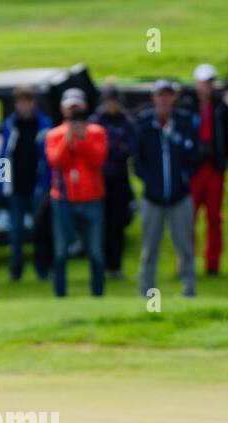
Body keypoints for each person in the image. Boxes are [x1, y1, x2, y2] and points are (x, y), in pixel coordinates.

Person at [133, 79, 198, 298]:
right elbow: (138, 161)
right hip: (153, 198)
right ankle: (147, 292)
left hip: (180, 197)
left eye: (168, 94)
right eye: (160, 94)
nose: (164, 99)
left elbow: (193, 156)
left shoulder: (185, 121)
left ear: (173, 97)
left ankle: (188, 290)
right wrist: (151, 181)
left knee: (185, 247)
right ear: (153, 97)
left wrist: (184, 177)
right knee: (149, 249)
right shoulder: (144, 124)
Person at [45, 88, 108, 298]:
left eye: (77, 107)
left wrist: (83, 139)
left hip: (91, 199)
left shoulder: (96, 132)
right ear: (63, 109)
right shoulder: (55, 135)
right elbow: (57, 162)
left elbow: (97, 160)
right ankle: (60, 295)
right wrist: (69, 138)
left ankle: (98, 295)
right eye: (70, 108)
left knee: (96, 252)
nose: (74, 113)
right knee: (61, 251)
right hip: (63, 200)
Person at [0, 86, 52, 282]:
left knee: (40, 232)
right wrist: (2, 185)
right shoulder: (11, 125)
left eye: (25, 102)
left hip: (37, 187)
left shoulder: (44, 125)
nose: (22, 106)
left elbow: (48, 159)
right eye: (18, 103)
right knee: (15, 233)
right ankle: (16, 271)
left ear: (32, 103)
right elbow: (3, 156)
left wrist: (47, 186)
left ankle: (42, 269)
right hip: (16, 188)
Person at [190, 64, 228, 276]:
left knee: (214, 218)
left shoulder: (221, 107)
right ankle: (186, 261)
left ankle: (213, 263)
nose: (207, 87)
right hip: (193, 170)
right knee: (188, 218)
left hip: (214, 169)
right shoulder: (187, 106)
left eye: (210, 82)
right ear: (196, 84)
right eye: (203, 82)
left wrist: (226, 161)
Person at [92, 84, 137, 280]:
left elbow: (130, 148)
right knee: (100, 224)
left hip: (119, 179)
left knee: (117, 224)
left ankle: (115, 266)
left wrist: (112, 148)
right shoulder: (96, 121)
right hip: (99, 180)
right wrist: (114, 147)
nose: (112, 105)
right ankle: (101, 265)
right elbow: (97, 151)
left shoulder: (126, 121)